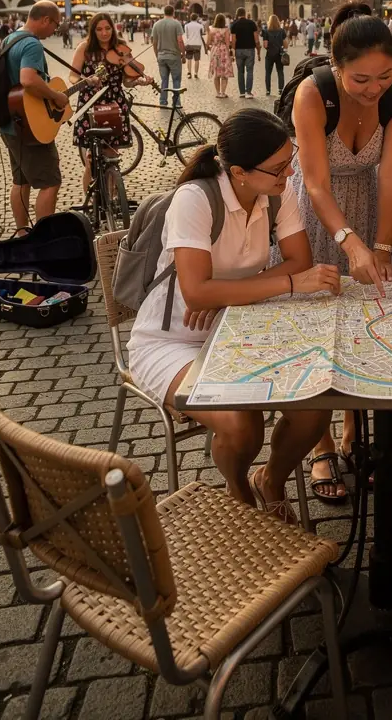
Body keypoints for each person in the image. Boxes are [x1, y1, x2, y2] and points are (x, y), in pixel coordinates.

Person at [127, 108, 341, 521]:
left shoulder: (275, 192)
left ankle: (272, 479)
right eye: (279, 167)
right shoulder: (195, 199)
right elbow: (196, 291)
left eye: (290, 157)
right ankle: (238, 487)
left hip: (239, 323)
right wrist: (285, 285)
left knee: (315, 405)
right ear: (240, 172)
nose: (291, 171)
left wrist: (229, 296)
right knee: (242, 425)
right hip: (170, 340)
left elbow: (300, 258)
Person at [288, 2, 392, 501]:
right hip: (319, 214)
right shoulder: (313, 94)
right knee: (319, 325)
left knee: (365, 324)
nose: (374, 88)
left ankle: (352, 431)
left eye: (384, 75)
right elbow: (316, 185)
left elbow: (391, 169)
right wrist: (349, 241)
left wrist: (380, 244)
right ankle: (319, 446)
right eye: (360, 79)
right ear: (336, 68)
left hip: (369, 203)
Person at [0, 2, 66, 234]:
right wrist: (55, 95)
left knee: (21, 181)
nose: (54, 31)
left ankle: (22, 233)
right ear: (46, 20)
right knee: (50, 182)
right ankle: (44, 240)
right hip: (29, 127)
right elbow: (28, 79)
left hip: (10, 123)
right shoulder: (31, 45)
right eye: (55, 25)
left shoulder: (9, 39)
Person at [71, 12, 150, 193]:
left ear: (112, 29)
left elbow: (126, 81)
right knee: (91, 160)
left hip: (115, 104)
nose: (104, 33)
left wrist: (138, 81)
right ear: (93, 30)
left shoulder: (120, 48)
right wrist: (86, 80)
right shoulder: (84, 48)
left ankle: (112, 200)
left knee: (112, 156)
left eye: (107, 28)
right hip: (90, 103)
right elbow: (72, 76)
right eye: (99, 29)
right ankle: (92, 202)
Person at [151, 6, 185, 108]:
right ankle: (176, 102)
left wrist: (157, 55)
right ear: (173, 12)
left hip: (161, 56)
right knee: (176, 80)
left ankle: (163, 101)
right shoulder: (176, 24)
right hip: (174, 56)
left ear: (164, 12)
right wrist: (183, 53)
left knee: (164, 80)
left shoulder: (157, 24)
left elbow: (154, 42)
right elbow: (180, 40)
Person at [231, 8, 260, 98]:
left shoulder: (234, 24)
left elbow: (233, 40)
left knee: (240, 71)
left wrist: (233, 51)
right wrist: (258, 51)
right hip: (250, 49)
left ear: (237, 14)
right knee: (249, 71)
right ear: (245, 13)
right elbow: (256, 39)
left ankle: (242, 92)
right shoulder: (251, 23)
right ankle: (248, 92)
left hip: (239, 50)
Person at [207, 13, 233, 98]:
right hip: (223, 51)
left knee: (217, 73)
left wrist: (213, 44)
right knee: (224, 73)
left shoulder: (211, 29)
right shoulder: (226, 30)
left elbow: (208, 42)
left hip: (214, 51)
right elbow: (227, 42)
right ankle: (223, 92)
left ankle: (218, 93)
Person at [262, 13, 287, 98]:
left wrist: (269, 48)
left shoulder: (266, 31)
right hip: (279, 53)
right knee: (280, 72)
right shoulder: (281, 31)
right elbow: (285, 43)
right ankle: (280, 89)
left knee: (268, 73)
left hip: (269, 54)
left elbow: (265, 45)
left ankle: (268, 90)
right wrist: (283, 49)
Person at [183, 12, 205, 81]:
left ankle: (189, 73)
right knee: (197, 60)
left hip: (189, 44)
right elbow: (202, 33)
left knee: (189, 59)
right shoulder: (200, 25)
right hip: (197, 44)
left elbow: (186, 34)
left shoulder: (186, 25)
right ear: (197, 18)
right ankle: (196, 73)